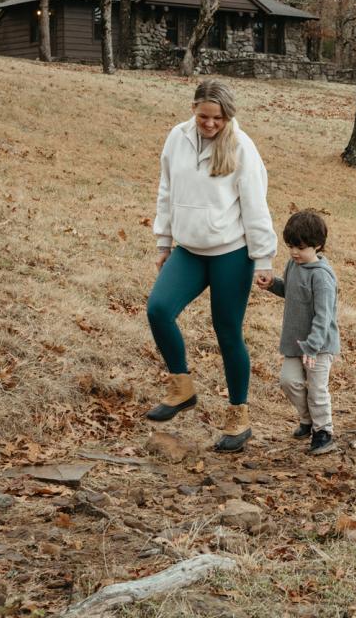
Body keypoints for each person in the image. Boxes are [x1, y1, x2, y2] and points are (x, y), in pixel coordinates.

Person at [145, 80, 276, 452]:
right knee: (158, 309)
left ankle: (238, 415)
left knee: (227, 330)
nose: (210, 124)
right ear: (193, 109)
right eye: (203, 116)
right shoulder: (177, 138)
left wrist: (263, 257)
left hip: (231, 252)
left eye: (217, 118)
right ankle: (181, 387)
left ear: (227, 116)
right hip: (189, 249)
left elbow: (255, 206)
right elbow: (166, 190)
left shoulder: (241, 147)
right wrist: (164, 241)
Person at [262, 210, 339, 457]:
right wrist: (273, 284)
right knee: (289, 381)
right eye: (291, 246)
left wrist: (313, 346)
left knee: (317, 389)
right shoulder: (293, 265)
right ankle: (307, 420)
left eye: (301, 247)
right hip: (295, 341)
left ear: (317, 245)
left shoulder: (321, 276)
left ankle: (323, 432)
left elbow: (323, 316)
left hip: (319, 345)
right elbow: (292, 293)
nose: (295, 252)